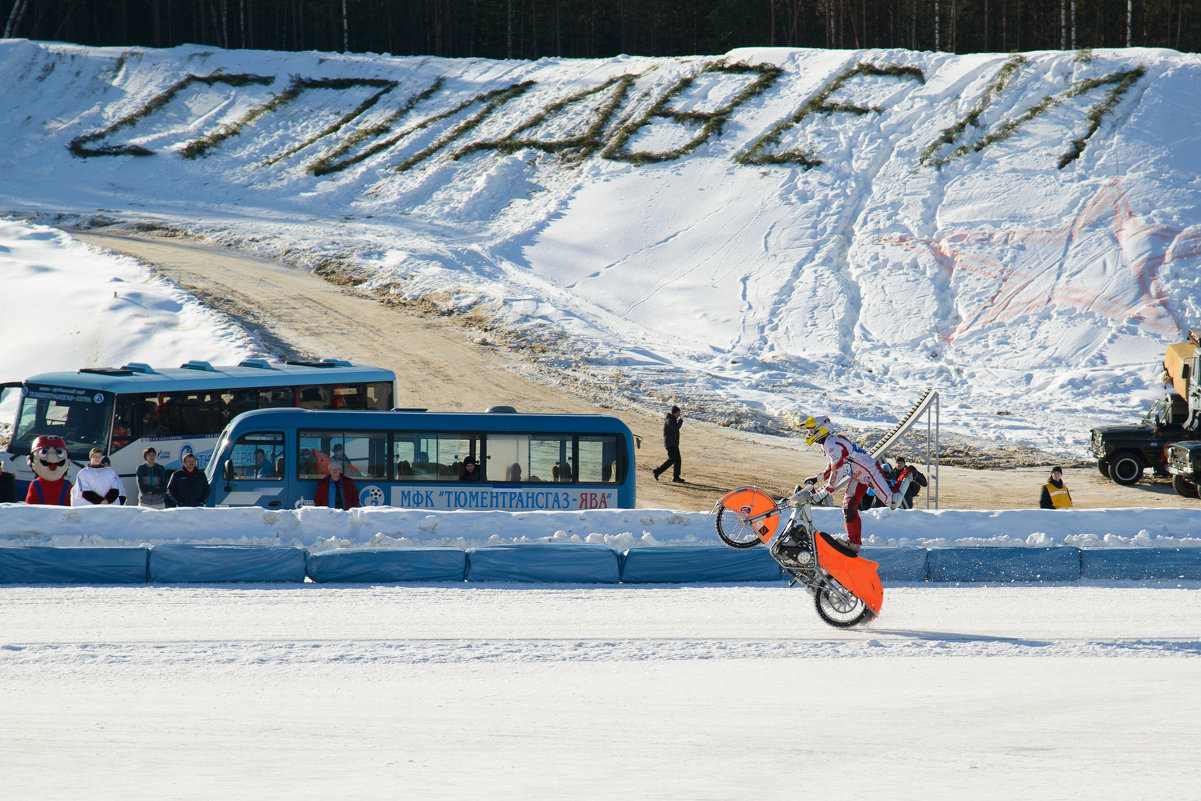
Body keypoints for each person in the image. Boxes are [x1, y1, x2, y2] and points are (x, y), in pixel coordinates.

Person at [800, 415, 899, 554]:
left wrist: (825, 491)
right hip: (858, 475)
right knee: (848, 506)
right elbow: (833, 466)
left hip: (869, 470)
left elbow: (837, 468)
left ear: (819, 429)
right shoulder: (828, 443)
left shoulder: (831, 444)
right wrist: (817, 479)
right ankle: (854, 543)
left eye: (811, 431)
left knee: (892, 501)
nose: (809, 434)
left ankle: (909, 474)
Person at [25, 434, 73, 505]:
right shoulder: (36, 485)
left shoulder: (67, 485)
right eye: (43, 452)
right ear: (30, 461)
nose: (52, 459)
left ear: (68, 461)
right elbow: (30, 506)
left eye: (60, 452)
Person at [652, 405, 684, 483]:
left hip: (673, 444)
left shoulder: (672, 420)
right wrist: (680, 422)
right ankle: (657, 471)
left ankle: (676, 477)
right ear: (675, 413)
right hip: (670, 445)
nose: (679, 415)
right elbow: (675, 428)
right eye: (678, 413)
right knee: (672, 460)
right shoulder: (669, 420)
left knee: (678, 460)